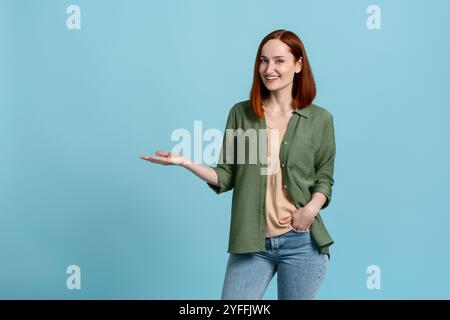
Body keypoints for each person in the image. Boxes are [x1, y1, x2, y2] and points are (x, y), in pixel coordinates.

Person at [140, 29, 336, 300]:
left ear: (298, 64)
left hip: (301, 243)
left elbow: (324, 178)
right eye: (263, 61)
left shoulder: (320, 119)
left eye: (279, 61)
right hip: (251, 243)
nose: (269, 69)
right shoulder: (242, 114)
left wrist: (310, 210)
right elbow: (226, 176)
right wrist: (185, 162)